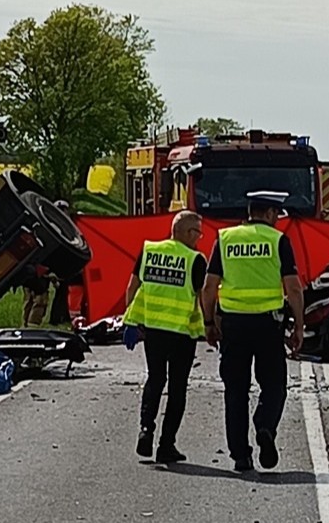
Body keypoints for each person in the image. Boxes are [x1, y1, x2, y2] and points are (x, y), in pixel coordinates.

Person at [201, 190, 304, 473]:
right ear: (270, 214)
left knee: (235, 390)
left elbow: (209, 287)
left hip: (233, 325)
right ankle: (265, 426)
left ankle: (240, 457)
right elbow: (293, 288)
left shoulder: (225, 238)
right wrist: (299, 326)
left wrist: (209, 323)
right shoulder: (278, 240)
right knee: (274, 386)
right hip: (269, 325)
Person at [121, 210, 207, 465]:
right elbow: (203, 297)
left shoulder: (150, 251)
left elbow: (132, 287)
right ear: (185, 232)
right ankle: (166, 445)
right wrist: (213, 326)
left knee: (155, 379)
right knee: (177, 387)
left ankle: (146, 430)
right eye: (197, 232)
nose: (199, 238)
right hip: (181, 334)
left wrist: (131, 320)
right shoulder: (195, 260)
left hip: (153, 331)